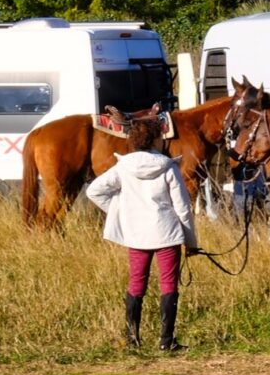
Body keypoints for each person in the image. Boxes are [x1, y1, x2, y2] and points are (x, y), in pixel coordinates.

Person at [84, 111, 197, 353]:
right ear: (156, 139)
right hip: (167, 233)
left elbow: (94, 191)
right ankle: (166, 341)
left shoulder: (123, 167)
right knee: (169, 284)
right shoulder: (169, 167)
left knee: (136, 284)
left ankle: (132, 339)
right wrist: (191, 242)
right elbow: (183, 208)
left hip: (136, 234)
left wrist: (119, 211)